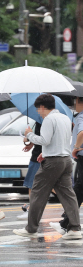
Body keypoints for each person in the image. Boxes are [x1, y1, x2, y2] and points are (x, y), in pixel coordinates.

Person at [13, 94, 82, 239]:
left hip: (52, 162)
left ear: (43, 107)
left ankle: (31, 228)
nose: (38, 112)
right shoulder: (65, 118)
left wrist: (30, 135)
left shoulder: (49, 119)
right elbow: (59, 140)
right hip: (66, 160)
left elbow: (44, 140)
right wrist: (45, 153)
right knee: (68, 195)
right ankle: (75, 229)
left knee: (38, 193)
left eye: (38, 109)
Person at [53, 96, 83, 231]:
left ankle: (67, 223)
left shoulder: (81, 117)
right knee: (79, 189)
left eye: (75, 101)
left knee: (79, 189)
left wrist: (76, 147)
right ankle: (68, 222)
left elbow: (82, 132)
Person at [18, 122, 42, 220]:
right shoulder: (41, 120)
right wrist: (30, 142)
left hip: (39, 157)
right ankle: (72, 209)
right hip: (43, 155)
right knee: (57, 187)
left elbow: (44, 139)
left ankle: (31, 212)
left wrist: (29, 136)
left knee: (32, 185)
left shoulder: (44, 120)